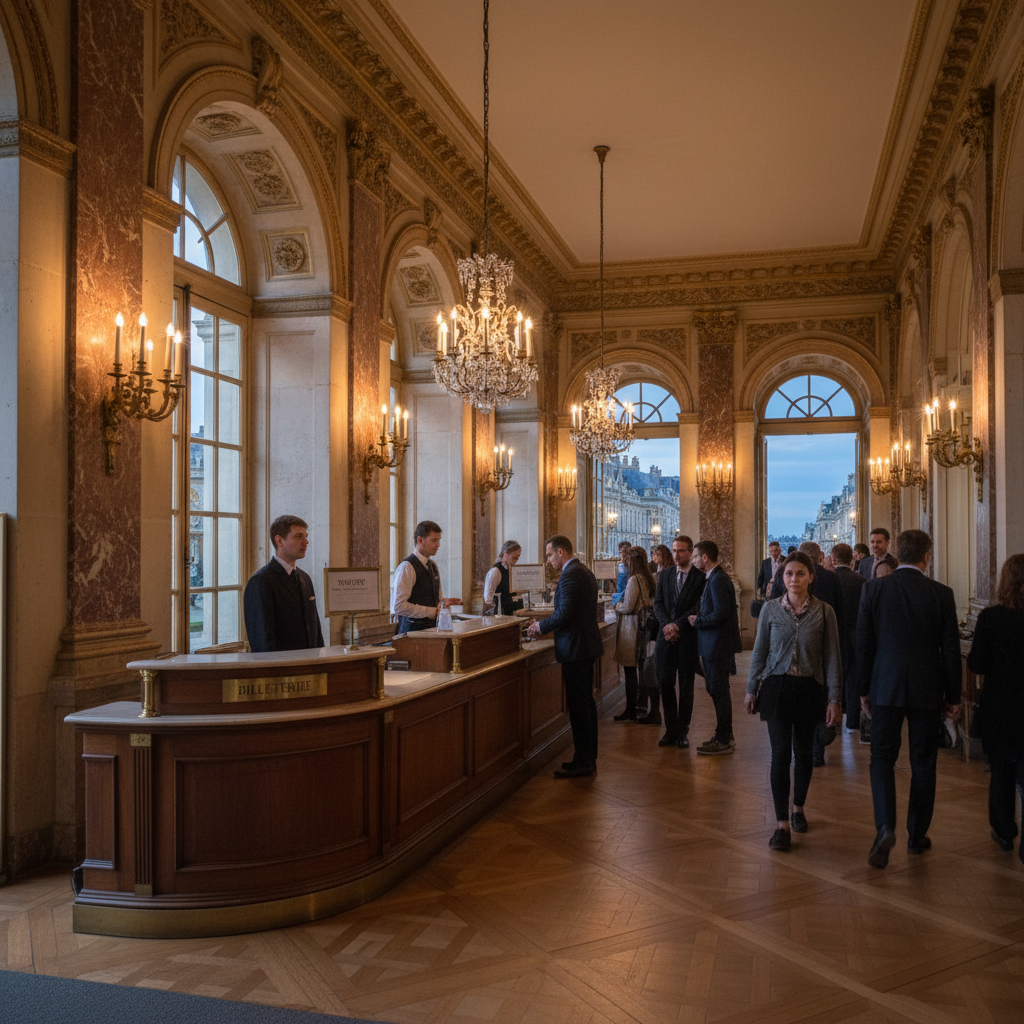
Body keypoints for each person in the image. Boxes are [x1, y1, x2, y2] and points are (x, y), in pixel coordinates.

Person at [856, 529, 961, 869]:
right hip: (928, 689)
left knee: (882, 759)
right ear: (927, 557)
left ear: (896, 554)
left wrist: (862, 689)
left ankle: (885, 826)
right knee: (923, 762)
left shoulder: (874, 589)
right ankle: (917, 836)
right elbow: (950, 649)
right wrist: (954, 696)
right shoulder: (941, 594)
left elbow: (864, 645)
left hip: (884, 686)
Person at [745, 551, 842, 850]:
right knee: (779, 756)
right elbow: (759, 652)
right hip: (776, 687)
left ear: (811, 577)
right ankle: (781, 824)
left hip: (810, 688)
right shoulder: (770, 611)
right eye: (789, 574)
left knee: (803, 753)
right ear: (782, 578)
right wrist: (751, 688)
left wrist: (834, 698)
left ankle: (798, 807)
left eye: (800, 573)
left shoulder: (825, 612)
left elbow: (833, 659)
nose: (794, 579)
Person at [526, 536, 602, 778]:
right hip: (584, 647)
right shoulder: (584, 571)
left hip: (576, 649)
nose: (547, 561)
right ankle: (586, 758)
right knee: (585, 705)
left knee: (580, 707)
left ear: (560, 552)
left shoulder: (571, 574)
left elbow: (565, 613)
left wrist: (540, 627)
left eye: (549, 555)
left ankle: (584, 761)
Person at [967, 553, 1024, 860]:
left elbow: (976, 664)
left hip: (1000, 705)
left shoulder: (991, 617)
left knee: (1001, 771)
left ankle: (1003, 830)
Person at [688, 540, 742, 755]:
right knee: (717, 689)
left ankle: (724, 738)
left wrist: (698, 620)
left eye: (694, 556)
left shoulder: (718, 579)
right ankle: (724, 734)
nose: (693, 560)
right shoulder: (713, 577)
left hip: (717, 645)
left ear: (705, 558)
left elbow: (720, 613)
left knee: (718, 690)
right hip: (714, 644)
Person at [652, 534, 706, 747]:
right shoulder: (664, 575)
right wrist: (667, 625)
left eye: (681, 550)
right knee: (665, 684)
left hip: (686, 639)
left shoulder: (700, 578)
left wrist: (677, 625)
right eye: (674, 550)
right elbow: (658, 604)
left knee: (686, 686)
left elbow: (697, 607)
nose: (676, 554)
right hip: (664, 638)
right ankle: (670, 729)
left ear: (691, 552)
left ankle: (683, 731)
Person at [243, 514, 325, 653]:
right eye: (298, 536)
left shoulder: (305, 578)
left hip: (310, 665)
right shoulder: (261, 581)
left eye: (306, 536)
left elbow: (315, 629)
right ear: (279, 540)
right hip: (282, 668)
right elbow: (262, 639)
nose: (306, 542)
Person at [798, 541, 845, 766]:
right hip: (826, 644)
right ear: (820, 557)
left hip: (799, 647)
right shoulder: (833, 578)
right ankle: (817, 752)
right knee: (820, 697)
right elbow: (841, 614)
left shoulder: (789, 577)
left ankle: (801, 749)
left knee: (801, 699)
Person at [391, 520, 462, 633]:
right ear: (420, 540)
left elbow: (437, 600)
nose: (438, 545)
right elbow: (398, 606)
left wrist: (443, 604)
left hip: (431, 631)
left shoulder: (433, 566)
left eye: (439, 540)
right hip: (411, 633)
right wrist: (432, 611)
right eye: (434, 540)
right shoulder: (407, 567)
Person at [611, 546, 656, 723]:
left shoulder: (634, 580)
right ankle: (641, 705)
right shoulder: (648, 577)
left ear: (631, 561)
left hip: (632, 628)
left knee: (630, 670)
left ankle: (631, 709)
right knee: (643, 669)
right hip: (644, 627)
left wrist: (618, 606)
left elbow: (628, 606)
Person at [831, 542, 866, 732]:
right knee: (852, 677)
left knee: (832, 674)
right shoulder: (861, 581)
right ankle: (852, 721)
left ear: (833, 559)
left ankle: (832, 721)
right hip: (854, 633)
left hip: (833, 632)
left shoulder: (828, 579)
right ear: (852, 559)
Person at [483, 540, 523, 615]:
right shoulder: (495, 571)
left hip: (508, 613)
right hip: (499, 615)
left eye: (517, 559)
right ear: (505, 555)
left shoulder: (509, 570)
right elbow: (488, 599)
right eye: (514, 558)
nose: (515, 561)